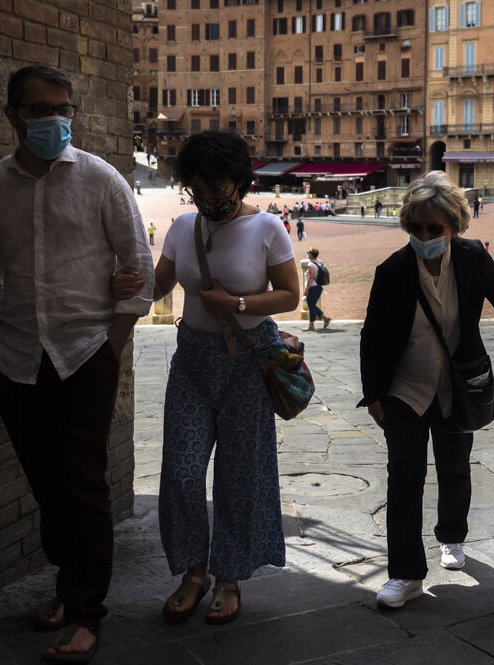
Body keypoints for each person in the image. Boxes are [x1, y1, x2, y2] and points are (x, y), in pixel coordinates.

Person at [0, 65, 155, 663]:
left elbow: (138, 272)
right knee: (44, 479)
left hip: (83, 354)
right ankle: (65, 580)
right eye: (39, 109)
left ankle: (84, 613)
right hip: (14, 357)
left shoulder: (102, 181)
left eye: (64, 110)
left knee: (81, 482)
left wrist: (113, 344)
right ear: (12, 115)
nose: (54, 120)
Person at [114, 131, 299, 628]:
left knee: (241, 473)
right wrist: (129, 282)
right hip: (192, 362)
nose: (211, 196)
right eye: (199, 187)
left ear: (240, 180)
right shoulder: (182, 227)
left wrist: (237, 303)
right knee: (181, 471)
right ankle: (192, 571)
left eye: (219, 185)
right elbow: (159, 286)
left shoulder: (267, 228)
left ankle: (229, 577)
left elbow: (288, 297)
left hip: (247, 363)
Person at [359, 171, 494, 609]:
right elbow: (372, 335)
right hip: (404, 389)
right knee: (404, 477)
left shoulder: (471, 258)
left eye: (434, 228)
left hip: (456, 386)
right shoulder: (392, 270)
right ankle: (405, 574)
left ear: (454, 227)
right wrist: (374, 394)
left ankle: (451, 536)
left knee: (454, 466)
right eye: (415, 227)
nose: (424, 236)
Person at [304, 247, 331, 331]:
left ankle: (311, 325)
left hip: (312, 287)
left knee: (311, 306)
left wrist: (306, 289)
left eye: (308, 254)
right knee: (312, 305)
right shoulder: (320, 263)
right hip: (319, 287)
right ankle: (325, 318)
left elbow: (310, 278)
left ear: (311, 255)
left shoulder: (311, 265)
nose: (307, 255)